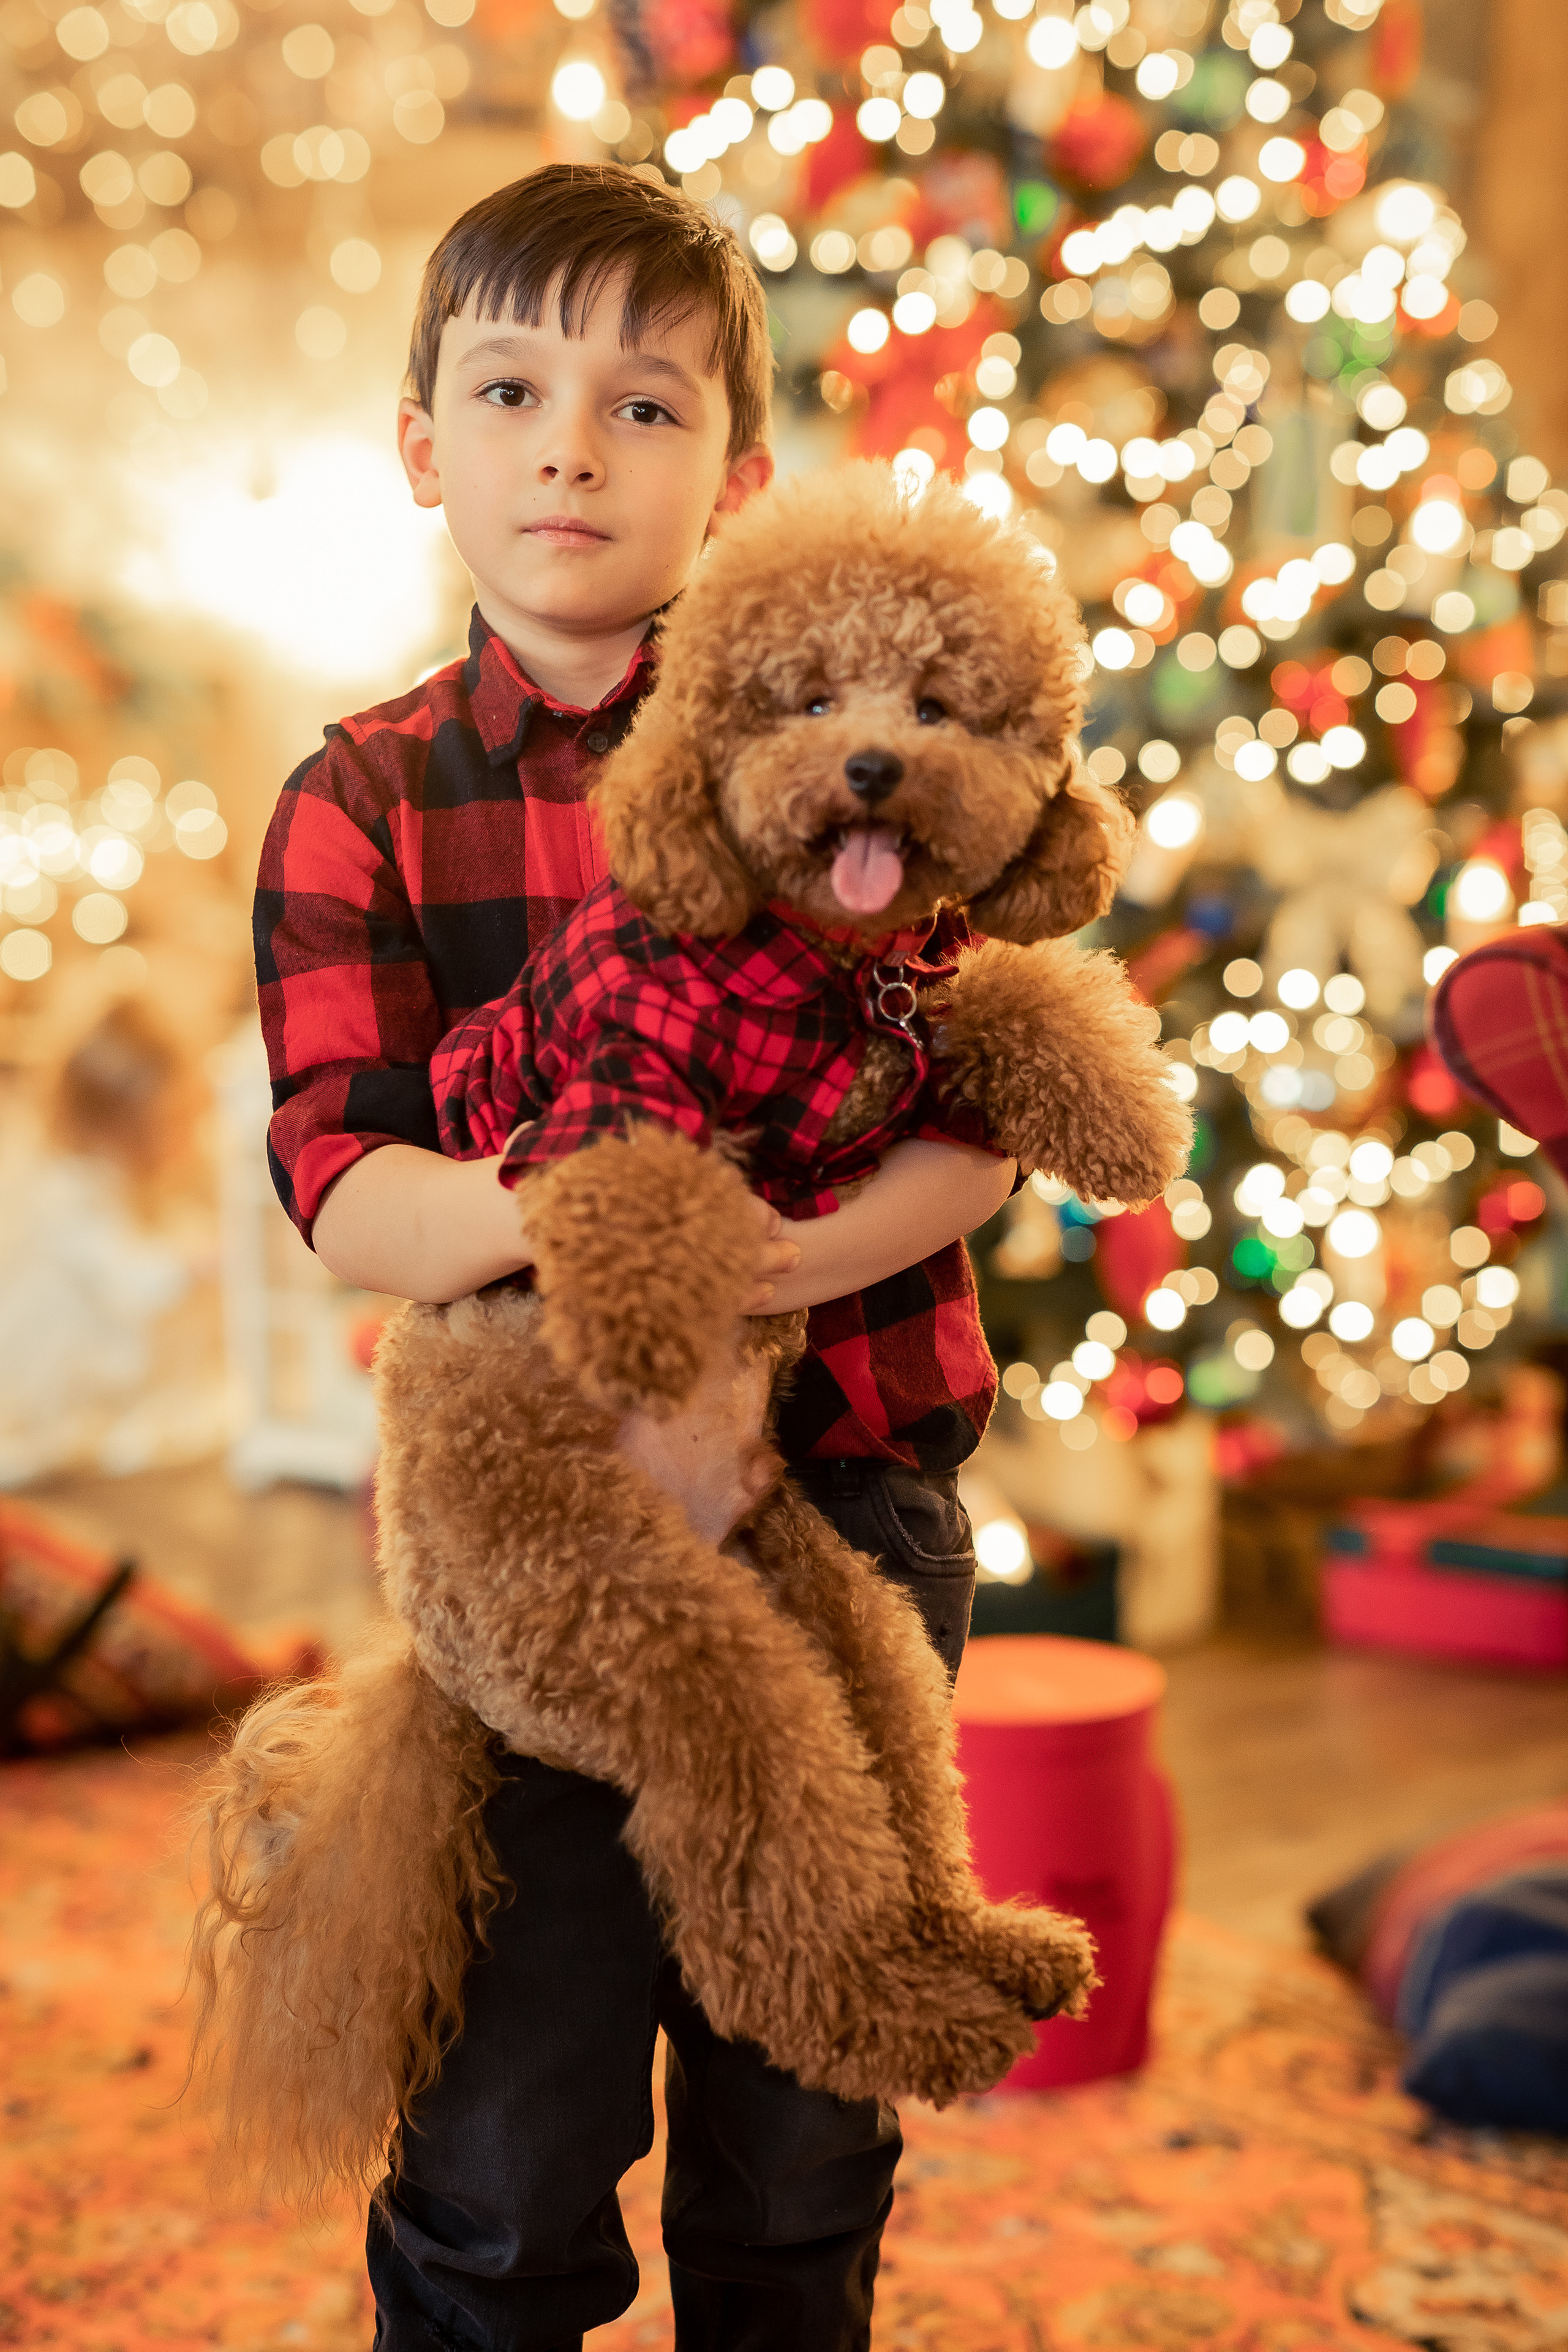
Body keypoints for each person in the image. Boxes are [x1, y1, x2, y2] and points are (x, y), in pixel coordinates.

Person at [254, 163, 1017, 2352]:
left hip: (857, 1501)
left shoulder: (857, 730)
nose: (571, 446)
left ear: (742, 478)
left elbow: (981, 1115)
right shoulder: (366, 797)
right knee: (509, 2144)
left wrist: (756, 1270)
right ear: (428, 448)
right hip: (543, 1553)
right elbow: (342, 1181)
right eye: (512, 389)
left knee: (802, 2132)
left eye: (646, 406)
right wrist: (607, 1216)